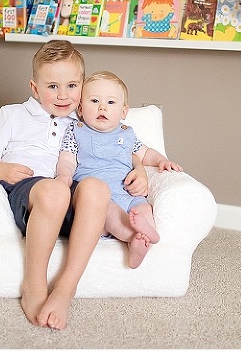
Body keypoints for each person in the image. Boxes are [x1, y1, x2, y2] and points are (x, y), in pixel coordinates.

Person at [0, 40, 114, 331]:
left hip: (67, 190)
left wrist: (142, 167)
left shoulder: (83, 118)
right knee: (55, 190)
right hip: (29, 191)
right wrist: (1, 169)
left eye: (72, 86)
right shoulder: (12, 114)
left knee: (97, 189)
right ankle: (35, 287)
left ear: (82, 86)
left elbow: (122, 143)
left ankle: (65, 287)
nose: (63, 95)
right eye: (52, 87)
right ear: (35, 88)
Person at [57, 70, 183, 269]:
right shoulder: (76, 131)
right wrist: (64, 175)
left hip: (127, 191)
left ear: (123, 112)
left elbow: (145, 153)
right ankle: (136, 237)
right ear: (80, 109)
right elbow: (67, 158)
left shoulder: (127, 134)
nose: (102, 108)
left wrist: (162, 161)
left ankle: (140, 241)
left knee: (143, 209)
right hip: (99, 196)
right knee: (108, 213)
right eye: (94, 101)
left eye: (110, 103)